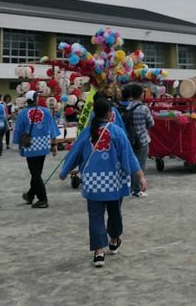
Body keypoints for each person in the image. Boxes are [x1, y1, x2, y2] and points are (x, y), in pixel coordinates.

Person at [59, 95, 144, 267]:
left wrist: (64, 171)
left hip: (92, 183)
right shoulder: (117, 132)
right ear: (109, 113)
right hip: (114, 182)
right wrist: (140, 176)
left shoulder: (87, 132)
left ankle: (98, 252)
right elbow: (128, 155)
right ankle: (114, 240)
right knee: (114, 213)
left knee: (95, 216)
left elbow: (75, 153)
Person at [13, 90, 59, 208]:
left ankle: (43, 199)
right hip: (43, 145)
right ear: (35, 99)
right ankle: (30, 195)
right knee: (37, 172)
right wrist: (54, 145)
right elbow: (52, 128)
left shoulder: (23, 113)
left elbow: (18, 129)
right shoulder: (46, 111)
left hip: (30, 146)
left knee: (35, 174)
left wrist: (18, 143)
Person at [121, 84, 154, 198]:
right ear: (141, 94)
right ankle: (136, 189)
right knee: (140, 164)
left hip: (129, 140)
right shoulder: (144, 108)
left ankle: (130, 187)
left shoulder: (127, 107)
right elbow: (151, 123)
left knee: (131, 163)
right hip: (142, 140)